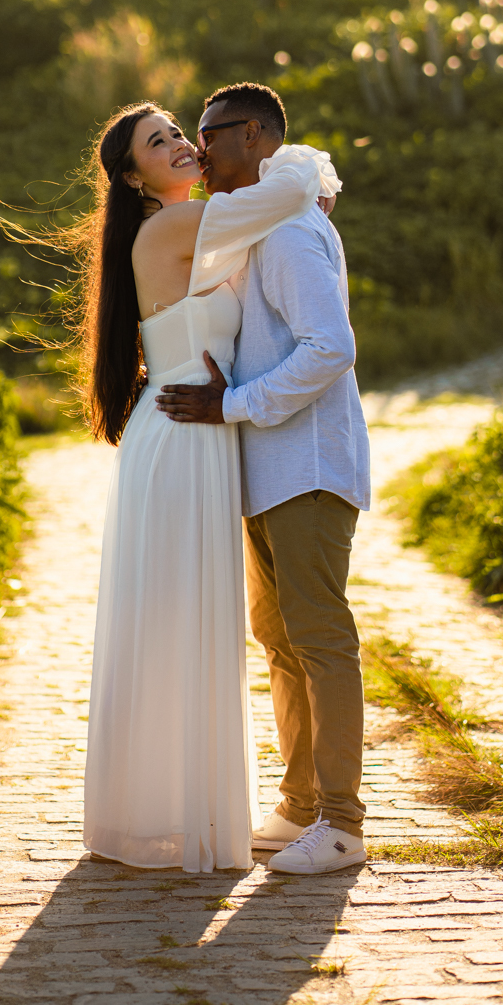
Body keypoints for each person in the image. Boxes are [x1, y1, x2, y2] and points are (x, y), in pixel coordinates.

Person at [72, 100, 340, 872]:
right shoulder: (176, 227)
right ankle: (177, 817)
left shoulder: (202, 224)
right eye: (159, 144)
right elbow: (288, 193)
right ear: (134, 176)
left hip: (199, 428)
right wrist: (308, 179)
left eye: (178, 133)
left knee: (193, 623)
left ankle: (182, 811)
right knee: (181, 623)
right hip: (186, 434)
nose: (183, 146)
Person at [156, 82, 371, 876]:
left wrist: (233, 403)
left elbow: (329, 347)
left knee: (319, 639)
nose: (198, 152)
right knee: (281, 640)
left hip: (307, 465)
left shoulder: (286, 233)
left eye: (208, 136)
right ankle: (300, 805)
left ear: (252, 137)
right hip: (268, 467)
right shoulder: (261, 226)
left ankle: (343, 825)